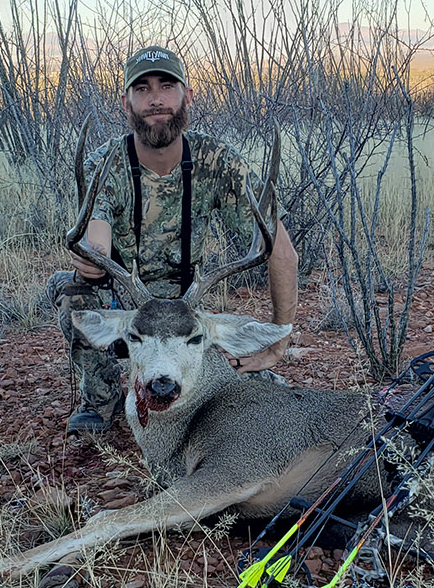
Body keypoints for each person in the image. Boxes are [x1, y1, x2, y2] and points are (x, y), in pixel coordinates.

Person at [57, 45, 300, 434]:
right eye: (142, 89)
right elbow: (97, 236)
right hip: (130, 307)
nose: (156, 99)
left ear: (188, 95)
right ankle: (100, 399)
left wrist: (277, 344)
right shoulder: (104, 163)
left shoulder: (218, 161)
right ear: (126, 103)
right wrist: (94, 256)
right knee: (71, 289)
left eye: (167, 86)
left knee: (262, 397)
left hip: (188, 315)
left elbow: (280, 252)